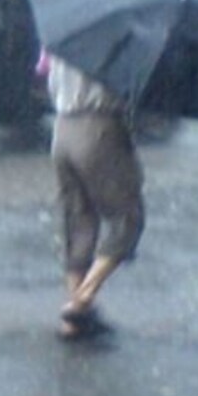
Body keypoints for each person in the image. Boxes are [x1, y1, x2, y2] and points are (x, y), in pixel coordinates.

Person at [40, 49, 143, 341]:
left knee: (78, 219)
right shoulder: (124, 41)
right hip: (98, 127)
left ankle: (74, 322)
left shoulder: (67, 37)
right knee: (128, 220)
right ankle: (80, 301)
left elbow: (44, 72)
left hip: (62, 130)